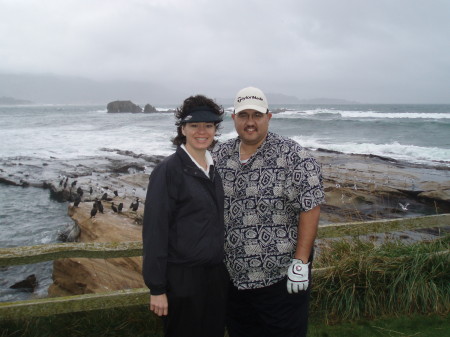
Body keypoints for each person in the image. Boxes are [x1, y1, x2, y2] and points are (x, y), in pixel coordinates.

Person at [212, 87, 325, 337]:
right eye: (243, 116)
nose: (250, 122)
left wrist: (301, 262)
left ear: (268, 117)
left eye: (257, 115)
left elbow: (311, 206)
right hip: (233, 279)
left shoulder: (293, 156)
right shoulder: (219, 154)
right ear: (234, 119)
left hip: (279, 279)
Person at [142, 95, 229, 337]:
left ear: (215, 130)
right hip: (182, 280)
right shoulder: (168, 171)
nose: (202, 131)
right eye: (194, 125)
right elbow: (154, 232)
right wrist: (157, 288)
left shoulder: (214, 169)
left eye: (209, 126)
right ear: (183, 129)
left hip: (214, 277)